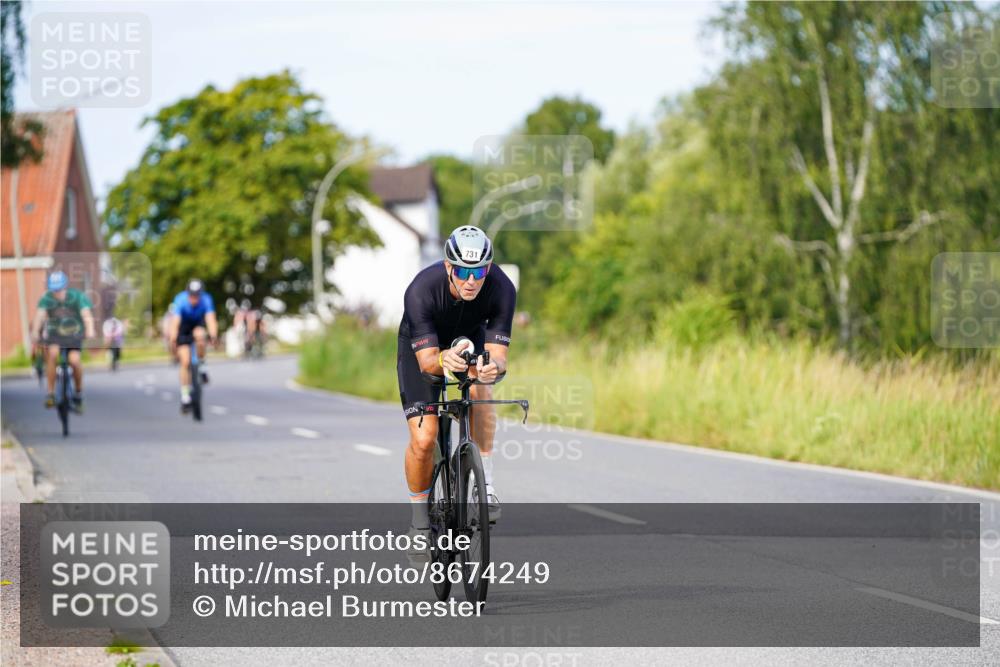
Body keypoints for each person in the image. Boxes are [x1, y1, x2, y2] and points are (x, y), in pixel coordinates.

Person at [398, 226, 516, 560]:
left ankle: (485, 486)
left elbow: (499, 357)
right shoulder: (422, 289)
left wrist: (493, 368)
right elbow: (427, 363)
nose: (471, 280)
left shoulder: (502, 288)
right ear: (449, 266)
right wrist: (442, 360)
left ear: (488, 268)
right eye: (463, 271)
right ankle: (420, 524)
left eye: (479, 271)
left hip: (470, 339)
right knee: (424, 440)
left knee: (481, 388)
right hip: (424, 348)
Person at [31, 271, 96, 411]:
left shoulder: (77, 296)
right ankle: (51, 394)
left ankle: (78, 394)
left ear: (65, 286)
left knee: (74, 361)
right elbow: (39, 316)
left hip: (74, 334)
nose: (57, 293)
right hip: (55, 334)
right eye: (54, 290)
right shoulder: (47, 298)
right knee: (52, 354)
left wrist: (90, 330)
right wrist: (35, 332)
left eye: (59, 289)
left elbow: (86, 314)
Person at [167, 279, 218, 412]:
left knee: (200, 335)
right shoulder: (180, 300)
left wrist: (213, 336)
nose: (194, 298)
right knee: (185, 362)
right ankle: (185, 396)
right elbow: (175, 323)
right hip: (183, 327)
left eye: (197, 295)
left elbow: (211, 319)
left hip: (197, 324)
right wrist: (173, 339)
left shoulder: (206, 300)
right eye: (191, 295)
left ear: (201, 294)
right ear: (187, 293)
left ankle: (202, 364)